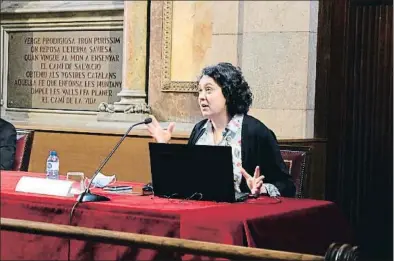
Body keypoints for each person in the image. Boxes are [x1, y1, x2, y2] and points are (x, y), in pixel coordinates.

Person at [147, 62, 295, 197]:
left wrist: (261, 189)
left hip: (240, 214)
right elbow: (184, 181)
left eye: (209, 90)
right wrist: (162, 146)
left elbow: (287, 186)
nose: (201, 97)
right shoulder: (199, 130)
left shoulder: (256, 132)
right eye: (200, 91)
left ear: (228, 93)